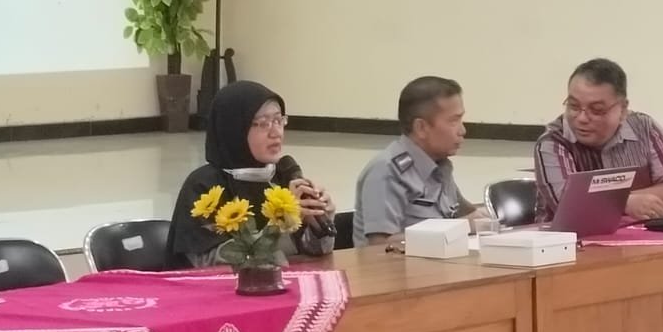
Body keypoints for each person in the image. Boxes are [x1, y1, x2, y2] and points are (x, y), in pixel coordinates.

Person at [168, 81, 336, 267]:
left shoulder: (281, 176)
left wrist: (319, 224)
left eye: (279, 120)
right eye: (263, 123)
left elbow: (313, 254)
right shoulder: (204, 186)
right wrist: (280, 226)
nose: (276, 133)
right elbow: (207, 263)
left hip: (283, 282)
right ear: (234, 129)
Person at [533, 57, 663, 222]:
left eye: (596, 110)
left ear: (623, 109)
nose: (582, 118)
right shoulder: (553, 142)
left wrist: (623, 200)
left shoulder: (643, 127)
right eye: (574, 106)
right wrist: (623, 203)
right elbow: (569, 207)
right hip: (569, 238)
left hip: (638, 235)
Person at [352, 75, 478, 247]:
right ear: (421, 128)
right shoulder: (387, 172)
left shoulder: (440, 165)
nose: (462, 130)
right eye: (453, 121)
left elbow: (466, 214)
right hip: (397, 264)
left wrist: (494, 220)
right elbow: (380, 245)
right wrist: (460, 228)